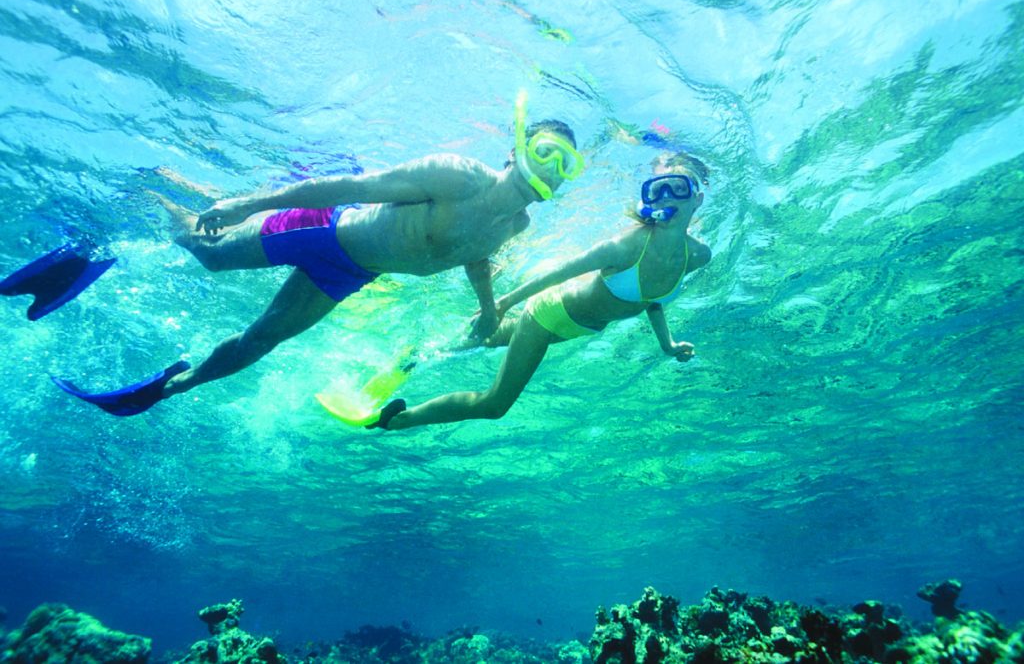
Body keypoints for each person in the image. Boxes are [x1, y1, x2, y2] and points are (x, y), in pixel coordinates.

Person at [52, 95, 585, 417]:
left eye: (565, 165)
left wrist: (489, 306)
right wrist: (250, 202)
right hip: (322, 231)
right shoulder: (458, 175)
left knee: (261, 341)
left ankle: (170, 387)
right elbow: (350, 185)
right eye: (544, 152)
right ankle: (156, 194)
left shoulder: (517, 223)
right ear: (516, 148)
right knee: (207, 254)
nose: (550, 169)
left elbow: (474, 256)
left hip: (350, 272)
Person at [373, 152, 711, 430]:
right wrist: (502, 304)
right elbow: (559, 272)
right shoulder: (626, 246)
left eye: (676, 188)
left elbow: (651, 300)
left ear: (697, 198)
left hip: (574, 328)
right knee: (495, 405)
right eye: (657, 190)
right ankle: (399, 420)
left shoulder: (696, 255)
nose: (666, 197)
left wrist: (667, 344)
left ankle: (417, 355)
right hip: (547, 316)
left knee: (484, 339)